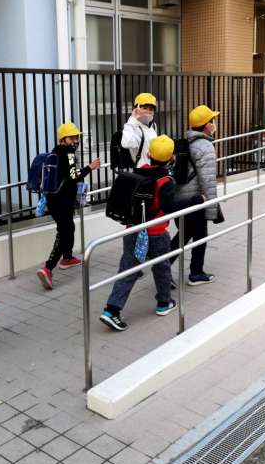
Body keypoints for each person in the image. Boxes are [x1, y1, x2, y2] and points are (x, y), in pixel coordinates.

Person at [100, 135, 204, 332]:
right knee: (162, 267)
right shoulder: (165, 180)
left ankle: (111, 310)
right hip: (156, 233)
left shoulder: (140, 172)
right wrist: (195, 200)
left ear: (149, 154)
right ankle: (164, 303)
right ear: (172, 158)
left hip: (133, 230)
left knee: (128, 270)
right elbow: (169, 207)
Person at [36, 122, 100, 290]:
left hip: (52, 199)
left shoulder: (53, 153)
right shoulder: (69, 154)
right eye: (72, 138)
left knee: (67, 227)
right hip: (63, 200)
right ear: (63, 139)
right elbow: (74, 176)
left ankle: (67, 258)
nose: (75, 141)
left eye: (76, 137)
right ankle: (48, 268)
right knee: (65, 231)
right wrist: (90, 167)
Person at [170, 105, 220, 285]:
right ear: (207, 125)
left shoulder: (186, 142)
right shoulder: (205, 146)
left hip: (180, 198)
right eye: (212, 121)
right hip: (196, 200)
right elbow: (208, 181)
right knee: (199, 235)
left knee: (184, 234)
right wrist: (212, 210)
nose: (214, 124)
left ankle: (162, 267)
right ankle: (195, 273)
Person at [121, 92, 158, 168]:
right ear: (136, 109)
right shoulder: (132, 126)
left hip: (155, 167)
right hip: (142, 169)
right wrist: (132, 120)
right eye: (144, 108)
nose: (148, 111)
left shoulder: (153, 126)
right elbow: (127, 143)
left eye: (151, 109)